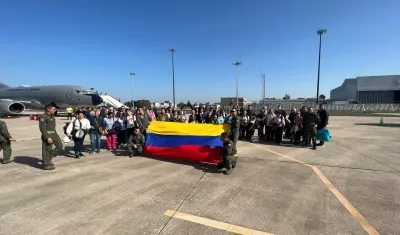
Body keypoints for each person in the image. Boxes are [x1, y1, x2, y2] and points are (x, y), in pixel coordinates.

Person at [39, 104, 63, 170]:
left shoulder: (52, 116)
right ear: (48, 109)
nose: (55, 110)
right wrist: (47, 137)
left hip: (54, 134)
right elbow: (42, 128)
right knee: (47, 149)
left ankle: (47, 158)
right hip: (47, 135)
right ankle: (46, 164)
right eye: (54, 109)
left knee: (60, 146)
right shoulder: (43, 117)